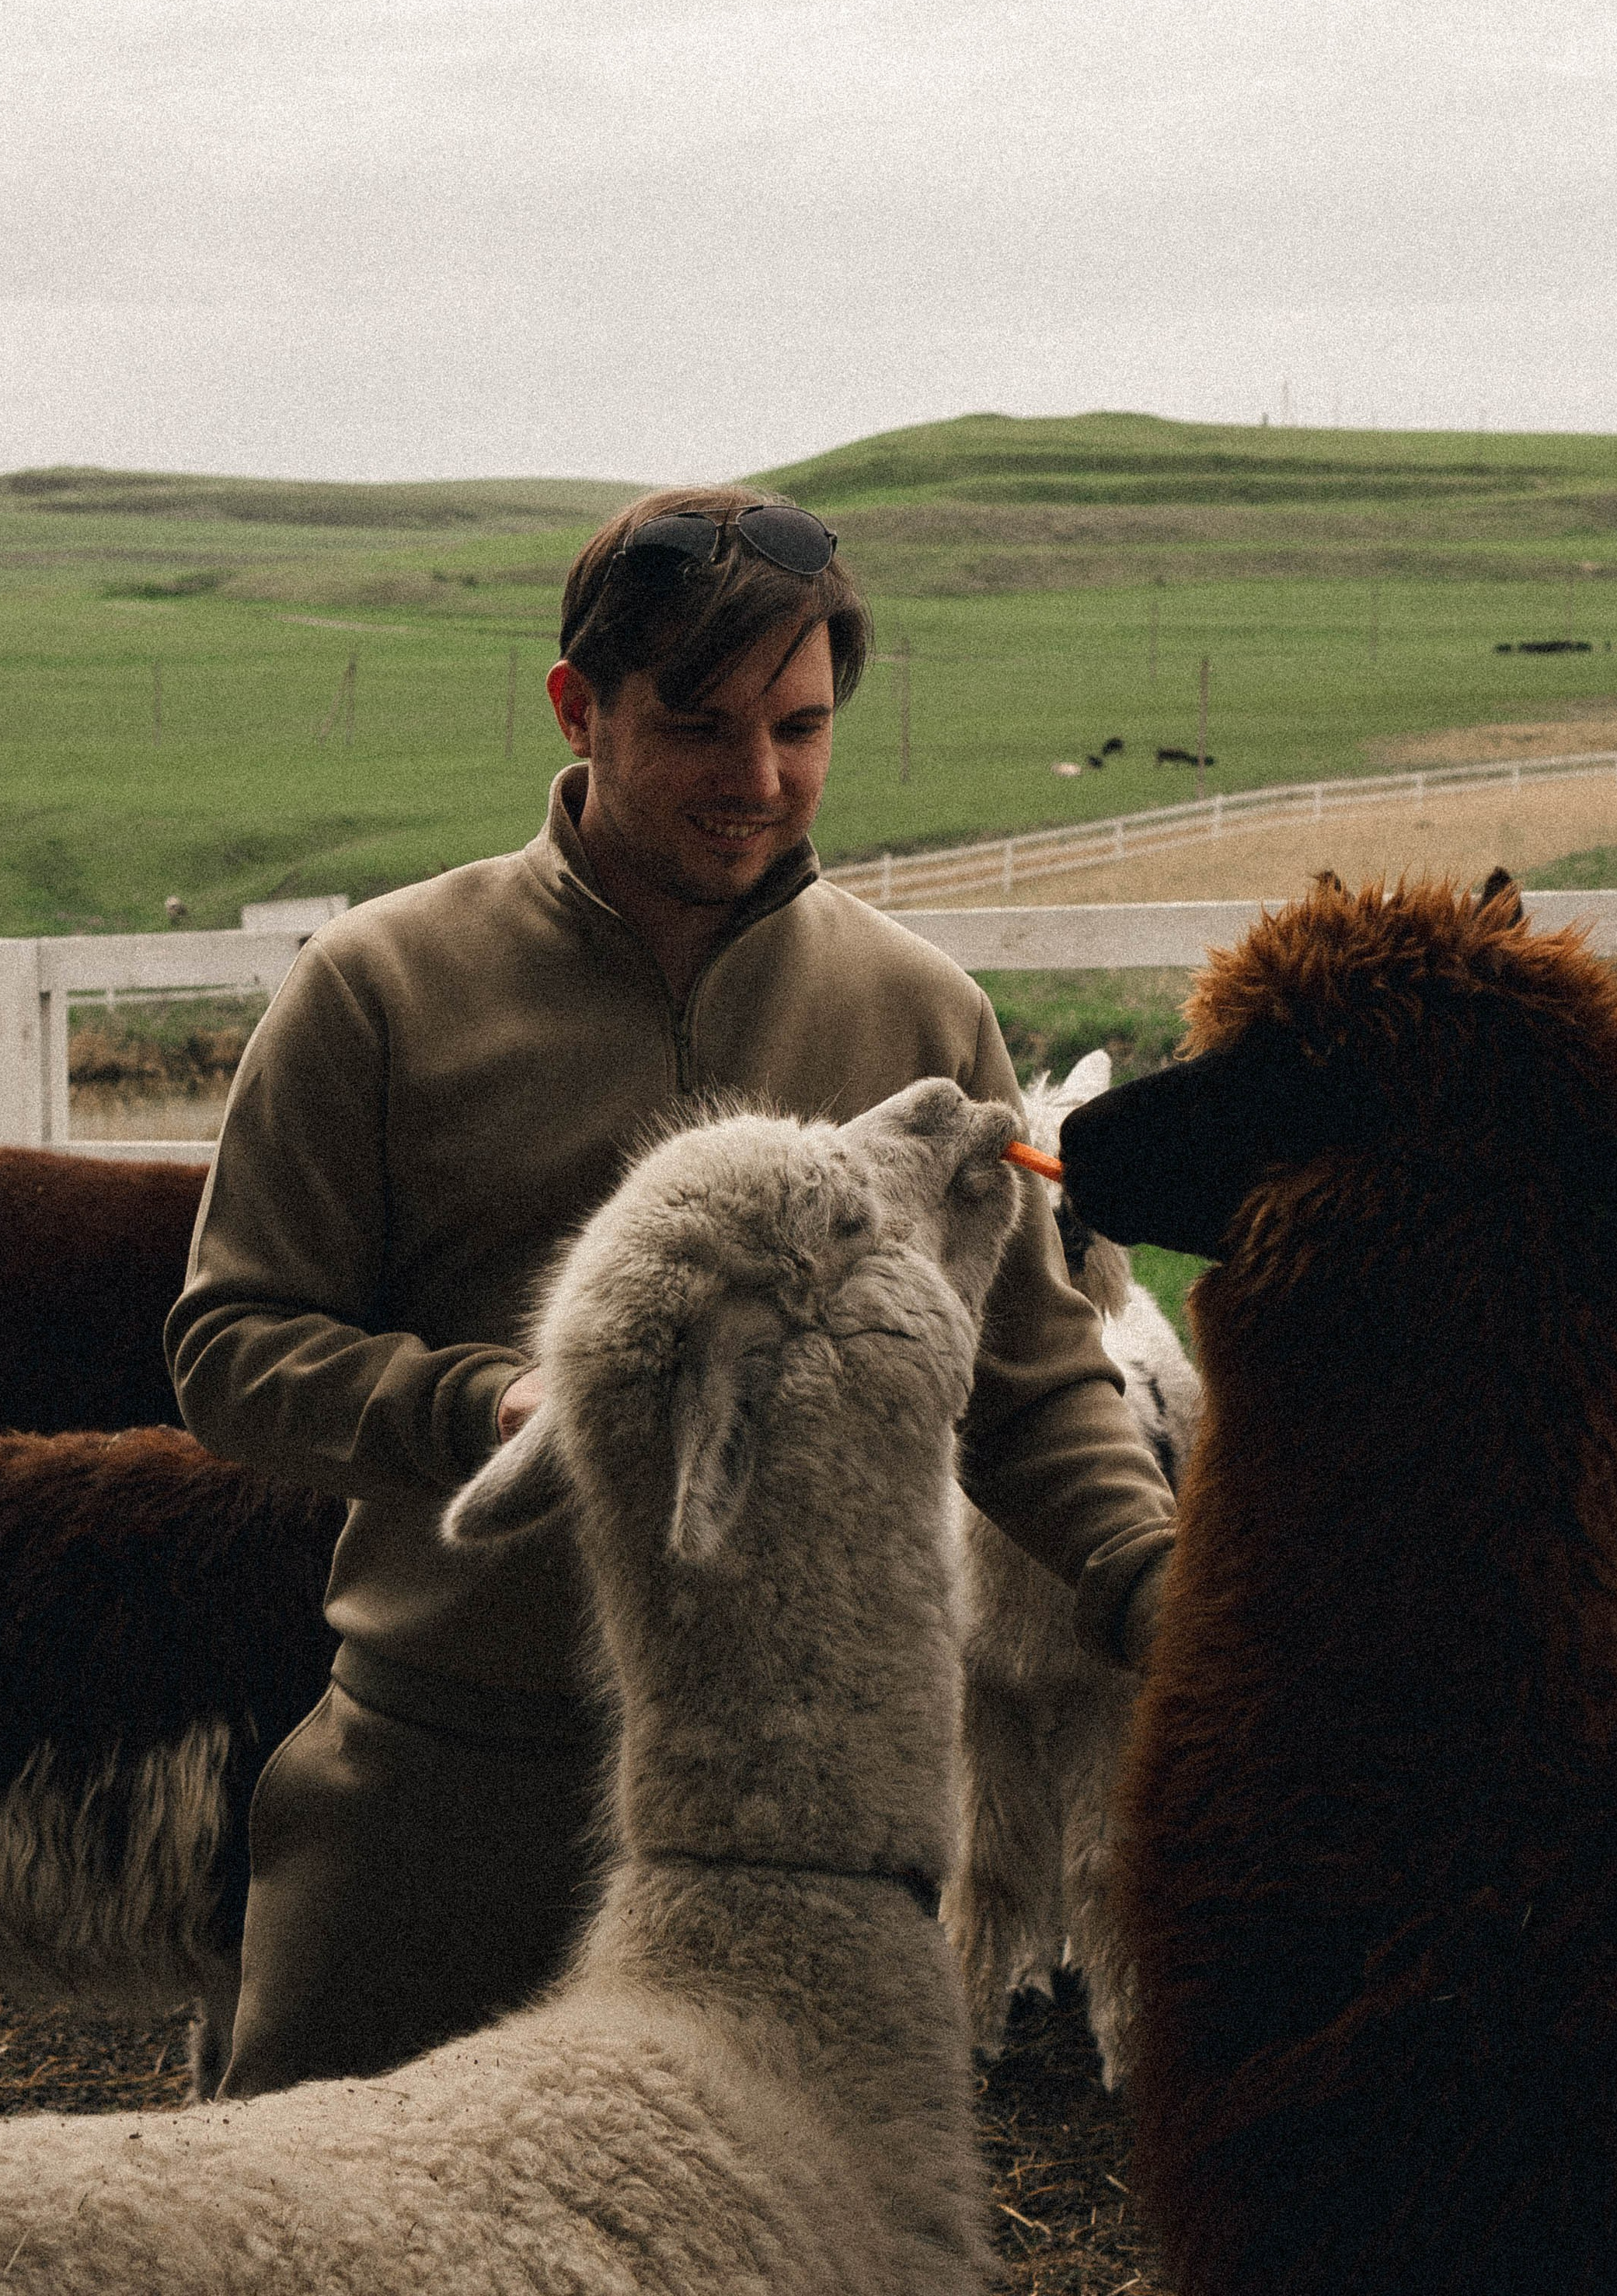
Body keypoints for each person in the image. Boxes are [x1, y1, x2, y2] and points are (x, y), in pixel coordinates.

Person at [167, 485, 1176, 2099]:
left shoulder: (921, 1014)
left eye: (800, 726)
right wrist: (487, 1406)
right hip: (445, 1783)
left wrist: (1149, 1579)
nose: (760, 780)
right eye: (701, 727)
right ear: (577, 707)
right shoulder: (379, 989)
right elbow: (228, 1347)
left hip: (800, 1823)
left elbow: (1035, 1380)